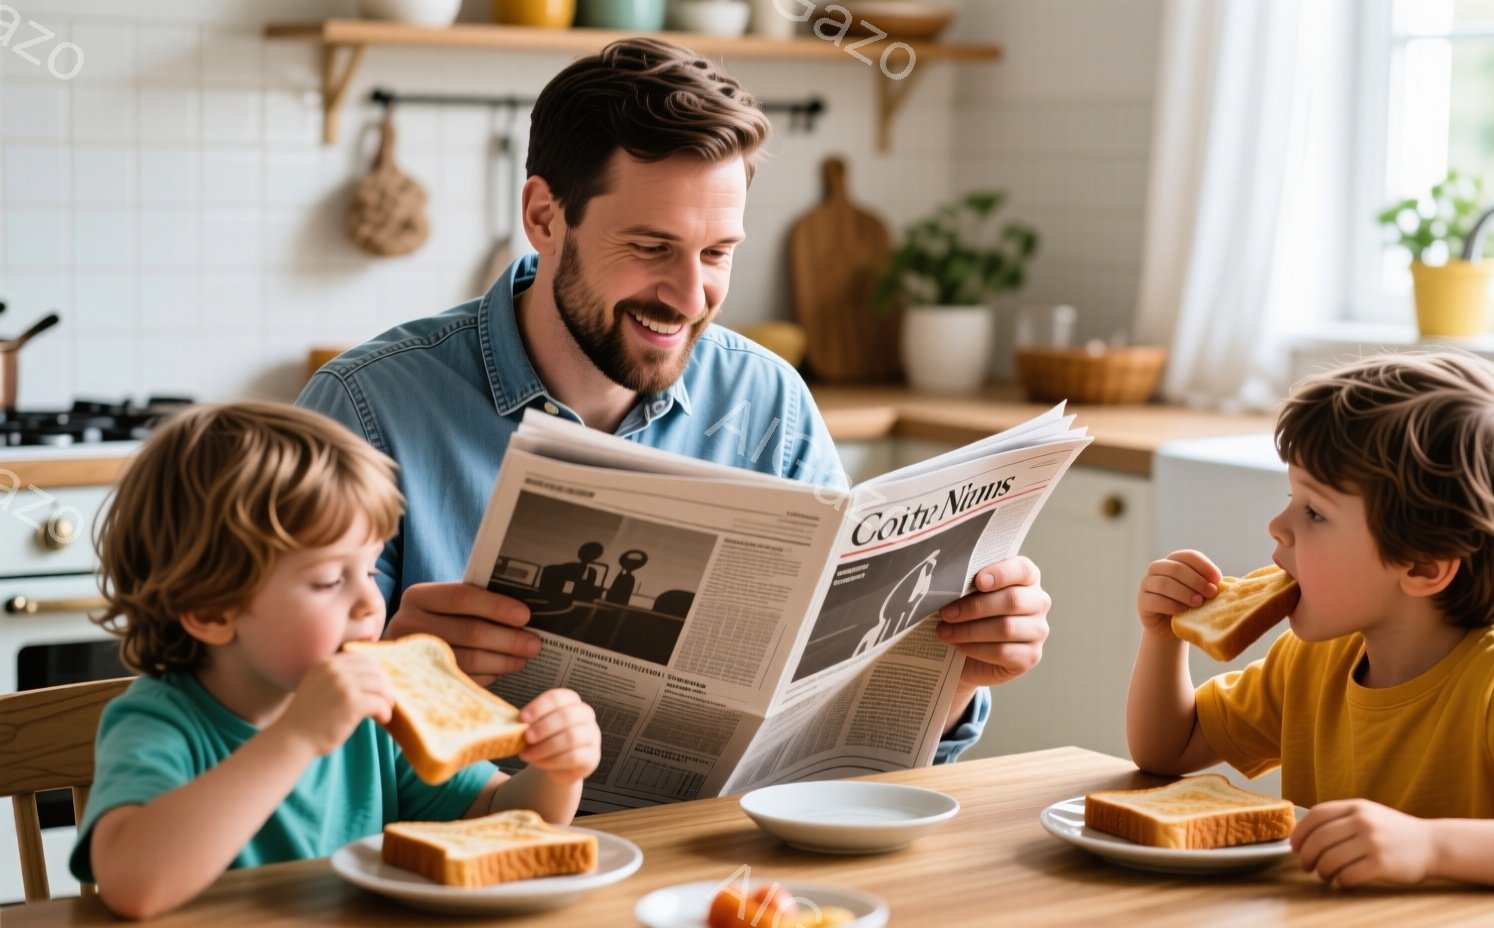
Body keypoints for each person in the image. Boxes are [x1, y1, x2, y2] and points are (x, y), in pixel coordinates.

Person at [297, 37, 1052, 763]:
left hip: (708, 858)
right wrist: (395, 671)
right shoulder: (365, 410)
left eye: (717, 253)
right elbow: (246, 726)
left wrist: (955, 675)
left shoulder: (767, 402)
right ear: (544, 217)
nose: (691, 297)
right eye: (652, 248)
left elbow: (827, 732)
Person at [1127, 352, 1494, 893]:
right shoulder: (1313, 661)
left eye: (1314, 512)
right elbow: (1168, 749)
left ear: (1423, 566)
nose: (1278, 526)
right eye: (1294, 498)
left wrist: (1428, 845)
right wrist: (1164, 638)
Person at [70, 403, 601, 919]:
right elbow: (132, 885)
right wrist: (298, 737)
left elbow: (500, 814)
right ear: (210, 611)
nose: (372, 602)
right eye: (329, 580)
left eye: (371, 570)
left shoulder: (371, 722)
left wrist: (556, 772)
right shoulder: (160, 723)